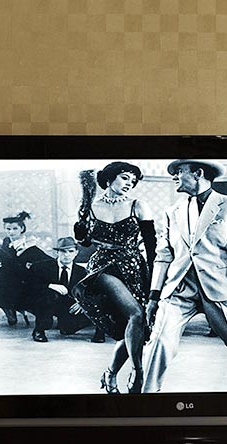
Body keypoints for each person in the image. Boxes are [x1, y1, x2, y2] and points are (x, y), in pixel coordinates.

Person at [140, 159, 227, 393]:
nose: (175, 177)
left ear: (198, 173)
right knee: (158, 343)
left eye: (180, 172)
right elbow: (163, 255)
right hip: (178, 290)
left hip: (218, 289)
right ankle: (147, 398)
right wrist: (154, 296)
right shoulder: (173, 212)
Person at [78, 161, 156, 393]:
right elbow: (84, 244)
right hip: (103, 267)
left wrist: (154, 280)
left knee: (134, 327)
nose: (129, 184)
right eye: (124, 178)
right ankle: (139, 372)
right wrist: (81, 235)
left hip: (133, 267)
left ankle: (110, 374)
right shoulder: (90, 205)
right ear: (110, 178)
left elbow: (151, 246)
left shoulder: (138, 205)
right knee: (135, 314)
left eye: (133, 181)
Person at [0, 210, 53, 329]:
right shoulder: (7, 241)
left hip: (21, 276)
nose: (11, 232)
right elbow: (3, 251)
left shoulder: (28, 244)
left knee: (16, 283)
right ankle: (9, 310)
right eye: (8, 229)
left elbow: (40, 257)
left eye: (15, 229)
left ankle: (17, 307)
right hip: (6, 275)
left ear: (22, 229)